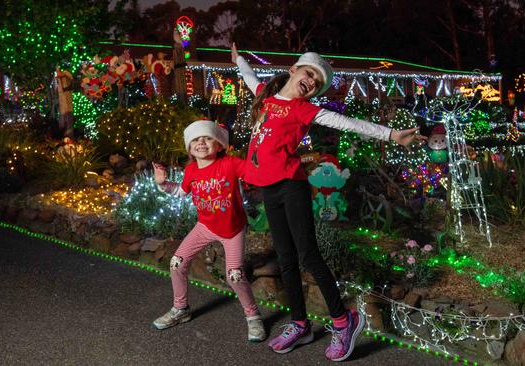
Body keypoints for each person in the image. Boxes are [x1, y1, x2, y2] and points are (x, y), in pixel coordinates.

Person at [231, 43, 426, 361]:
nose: (311, 81)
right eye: (309, 73)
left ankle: (343, 321)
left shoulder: (304, 110)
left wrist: (392, 135)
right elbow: (250, 77)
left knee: (308, 255)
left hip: (291, 186)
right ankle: (299, 324)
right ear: (294, 70)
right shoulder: (265, 97)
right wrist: (238, 59)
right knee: (285, 257)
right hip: (268, 188)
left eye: (317, 83)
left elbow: (350, 124)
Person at [151, 120, 266, 343]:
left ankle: (253, 316)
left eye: (207, 138)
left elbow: (255, 174)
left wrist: (260, 155)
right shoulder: (191, 170)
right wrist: (163, 183)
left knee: (235, 276)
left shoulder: (231, 164)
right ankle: (180, 309)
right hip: (205, 226)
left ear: (219, 144)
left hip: (232, 229)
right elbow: (181, 192)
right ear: (189, 148)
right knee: (176, 263)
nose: (201, 142)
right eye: (195, 139)